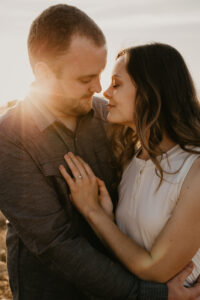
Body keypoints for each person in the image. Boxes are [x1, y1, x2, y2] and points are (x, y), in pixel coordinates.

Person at [0, 4, 199, 299]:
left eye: (103, 75)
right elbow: (56, 243)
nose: (98, 87)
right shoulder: (10, 138)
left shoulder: (112, 117)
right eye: (84, 79)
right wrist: (148, 294)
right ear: (44, 74)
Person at [59, 42, 200, 290]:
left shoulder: (194, 169)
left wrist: (93, 213)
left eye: (116, 84)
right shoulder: (131, 161)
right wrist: (109, 218)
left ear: (150, 91)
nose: (105, 92)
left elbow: (155, 269)